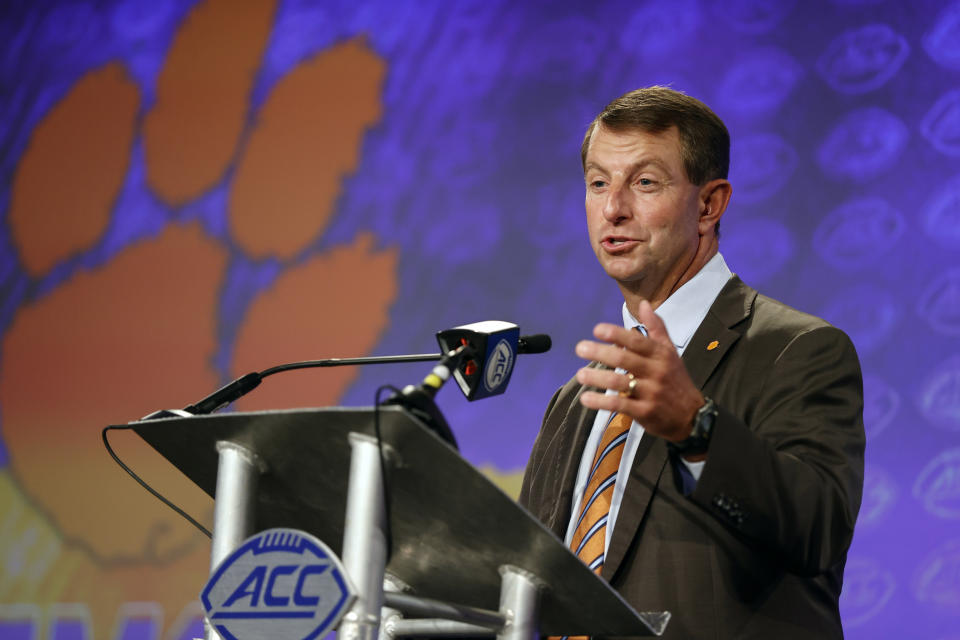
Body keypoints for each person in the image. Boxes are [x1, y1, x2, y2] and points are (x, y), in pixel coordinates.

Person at [518, 87, 864, 638]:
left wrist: (698, 427)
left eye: (645, 182)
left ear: (709, 204)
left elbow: (818, 530)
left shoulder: (798, 349)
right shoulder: (573, 401)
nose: (614, 208)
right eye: (598, 182)